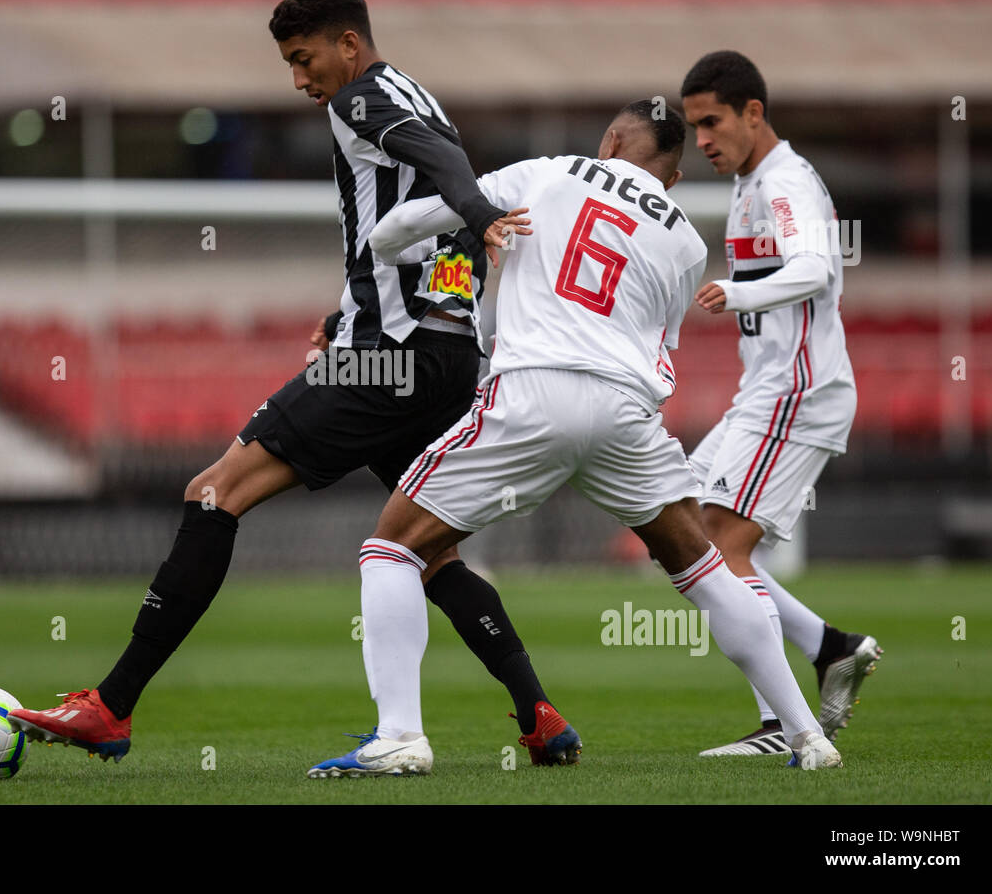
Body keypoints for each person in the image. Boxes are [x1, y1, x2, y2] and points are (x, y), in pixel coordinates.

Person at [9, 0, 579, 768]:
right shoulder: (416, 93)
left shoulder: (363, 99)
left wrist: (481, 221)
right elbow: (418, 206)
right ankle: (540, 715)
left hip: (387, 359)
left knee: (215, 492)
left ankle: (111, 706)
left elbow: (443, 165)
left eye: (305, 58)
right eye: (289, 64)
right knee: (428, 548)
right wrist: (349, 306)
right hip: (446, 356)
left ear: (349, 44)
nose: (301, 79)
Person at [309, 100, 843, 775]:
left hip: (534, 391)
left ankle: (400, 736)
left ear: (611, 140)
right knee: (705, 571)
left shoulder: (549, 171)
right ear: (672, 179)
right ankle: (808, 737)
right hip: (627, 410)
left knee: (391, 548)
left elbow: (404, 226)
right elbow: (661, 343)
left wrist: (433, 232)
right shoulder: (686, 240)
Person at [680, 51, 881, 758]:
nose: (701, 138)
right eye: (692, 126)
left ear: (753, 114)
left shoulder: (783, 180)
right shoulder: (750, 182)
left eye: (712, 121)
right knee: (684, 534)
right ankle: (830, 649)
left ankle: (780, 727)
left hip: (798, 392)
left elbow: (817, 267)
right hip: (766, 391)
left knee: (724, 550)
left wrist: (736, 292)